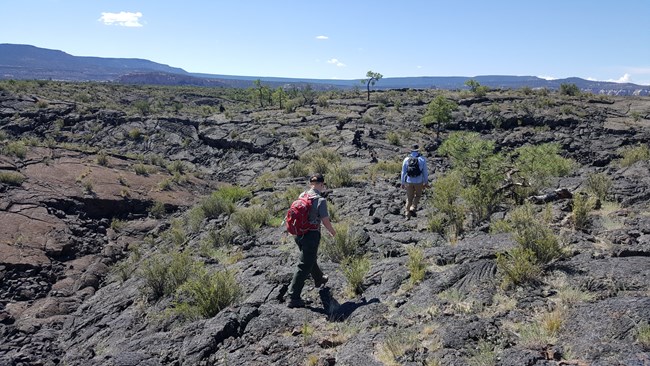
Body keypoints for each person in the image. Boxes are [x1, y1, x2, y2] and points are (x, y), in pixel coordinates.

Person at [287, 173, 337, 308]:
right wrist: (332, 231)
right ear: (321, 185)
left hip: (299, 234)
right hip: (312, 235)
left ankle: (319, 279)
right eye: (323, 185)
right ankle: (293, 297)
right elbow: (325, 220)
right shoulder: (320, 200)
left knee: (309, 258)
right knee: (304, 265)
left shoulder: (302, 195)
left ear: (311, 184)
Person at [400, 144, 429, 219]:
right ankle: (413, 207)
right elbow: (425, 172)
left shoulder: (406, 159)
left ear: (411, 150)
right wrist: (426, 182)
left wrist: (402, 182)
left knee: (409, 198)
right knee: (418, 195)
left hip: (409, 181)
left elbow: (403, 172)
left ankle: (407, 214)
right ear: (418, 150)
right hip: (419, 181)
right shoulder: (422, 159)